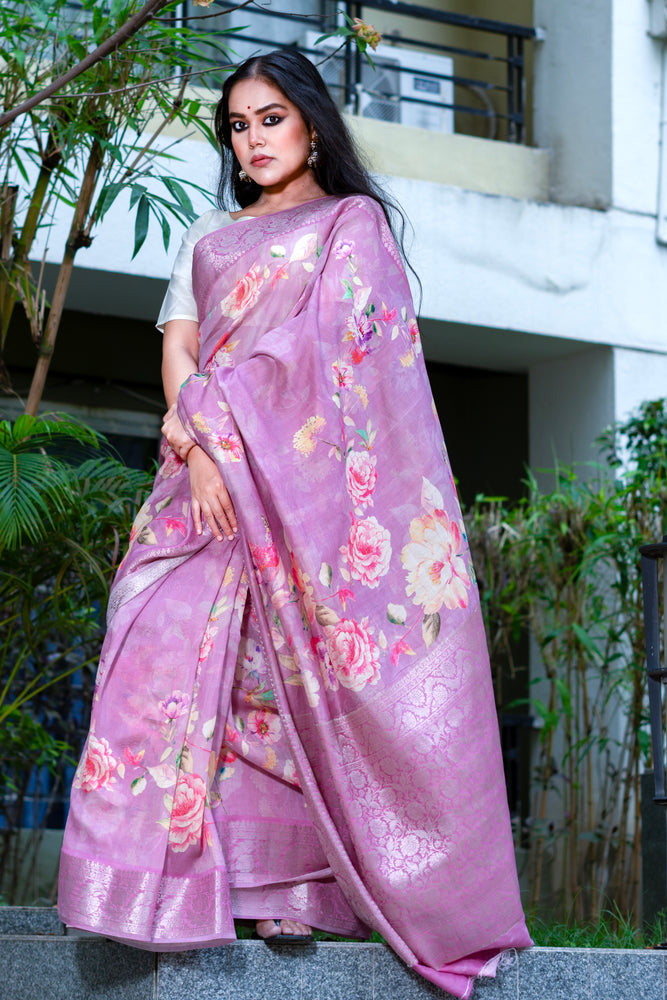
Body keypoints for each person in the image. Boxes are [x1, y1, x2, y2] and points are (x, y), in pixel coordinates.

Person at [58, 50, 531, 997]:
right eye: (238, 126)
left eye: (269, 119)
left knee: (279, 677)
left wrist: (242, 441)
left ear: (312, 125)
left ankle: (287, 891)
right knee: (157, 652)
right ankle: (154, 887)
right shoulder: (212, 239)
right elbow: (183, 350)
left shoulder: (350, 229)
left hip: (300, 495)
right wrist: (199, 453)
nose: (253, 139)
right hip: (200, 483)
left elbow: (361, 367)